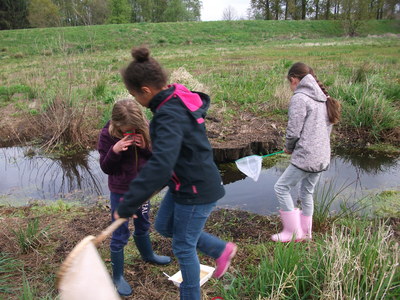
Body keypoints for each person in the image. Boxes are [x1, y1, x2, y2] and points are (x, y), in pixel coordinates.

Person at [114, 47, 237, 300]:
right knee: (164, 225)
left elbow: (161, 165)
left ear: (145, 91)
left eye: (133, 94)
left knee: (183, 246)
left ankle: (190, 295)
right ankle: (220, 249)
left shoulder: (168, 116)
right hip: (184, 183)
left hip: (196, 189)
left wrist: (129, 203)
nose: (135, 99)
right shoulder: (175, 99)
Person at [98, 99, 172, 297]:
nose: (129, 134)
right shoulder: (107, 135)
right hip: (121, 192)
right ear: (116, 125)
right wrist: (115, 151)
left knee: (143, 223)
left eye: (134, 130)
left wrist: (145, 146)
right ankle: (118, 276)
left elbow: (156, 156)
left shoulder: (145, 129)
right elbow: (106, 168)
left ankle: (148, 255)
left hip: (144, 189)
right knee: (120, 231)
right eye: (126, 131)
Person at [272, 62, 341, 243]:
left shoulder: (300, 97)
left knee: (281, 187)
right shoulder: (323, 97)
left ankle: (293, 232)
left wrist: (289, 147)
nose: (290, 86)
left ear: (294, 79)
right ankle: (306, 233)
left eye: (290, 82)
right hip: (322, 156)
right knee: (306, 192)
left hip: (307, 156)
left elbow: (294, 130)